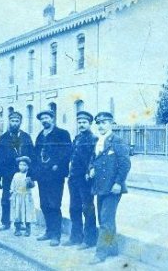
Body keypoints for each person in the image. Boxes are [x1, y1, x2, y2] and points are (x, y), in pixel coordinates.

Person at [88, 112, 131, 264]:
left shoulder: (117, 141)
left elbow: (125, 164)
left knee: (105, 220)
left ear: (111, 123)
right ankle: (113, 248)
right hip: (100, 187)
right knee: (104, 218)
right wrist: (91, 168)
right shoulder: (98, 141)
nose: (100, 125)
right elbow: (93, 159)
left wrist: (118, 183)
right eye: (98, 123)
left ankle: (100, 253)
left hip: (113, 188)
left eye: (104, 122)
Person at [34, 110, 71, 246]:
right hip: (42, 176)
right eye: (42, 118)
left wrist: (57, 164)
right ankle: (49, 231)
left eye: (47, 117)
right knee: (44, 204)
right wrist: (34, 173)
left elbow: (67, 152)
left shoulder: (62, 134)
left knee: (54, 204)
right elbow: (35, 155)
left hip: (55, 176)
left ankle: (56, 235)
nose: (45, 120)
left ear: (52, 119)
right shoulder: (40, 136)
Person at [63, 111, 98, 250]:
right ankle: (76, 237)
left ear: (90, 124)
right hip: (74, 178)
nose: (81, 125)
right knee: (74, 208)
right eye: (79, 122)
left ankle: (89, 240)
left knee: (87, 208)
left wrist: (89, 171)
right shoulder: (77, 138)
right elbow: (72, 157)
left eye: (84, 122)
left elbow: (93, 158)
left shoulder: (94, 139)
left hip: (85, 179)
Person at [0, 111, 35, 231]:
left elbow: (32, 156)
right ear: (9, 121)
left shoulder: (26, 137)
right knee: (6, 199)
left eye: (17, 121)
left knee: (22, 199)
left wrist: (31, 175)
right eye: (12, 121)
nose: (14, 123)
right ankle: (5, 222)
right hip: (8, 174)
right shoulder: (3, 138)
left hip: (22, 176)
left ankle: (22, 222)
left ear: (20, 122)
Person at [10, 156, 36, 237]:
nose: (22, 166)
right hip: (17, 197)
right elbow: (13, 185)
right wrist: (12, 193)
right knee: (17, 213)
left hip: (26, 197)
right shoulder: (16, 175)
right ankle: (17, 229)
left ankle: (28, 229)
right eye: (20, 165)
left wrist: (30, 182)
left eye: (24, 165)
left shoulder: (28, 176)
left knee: (27, 212)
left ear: (28, 166)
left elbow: (32, 185)